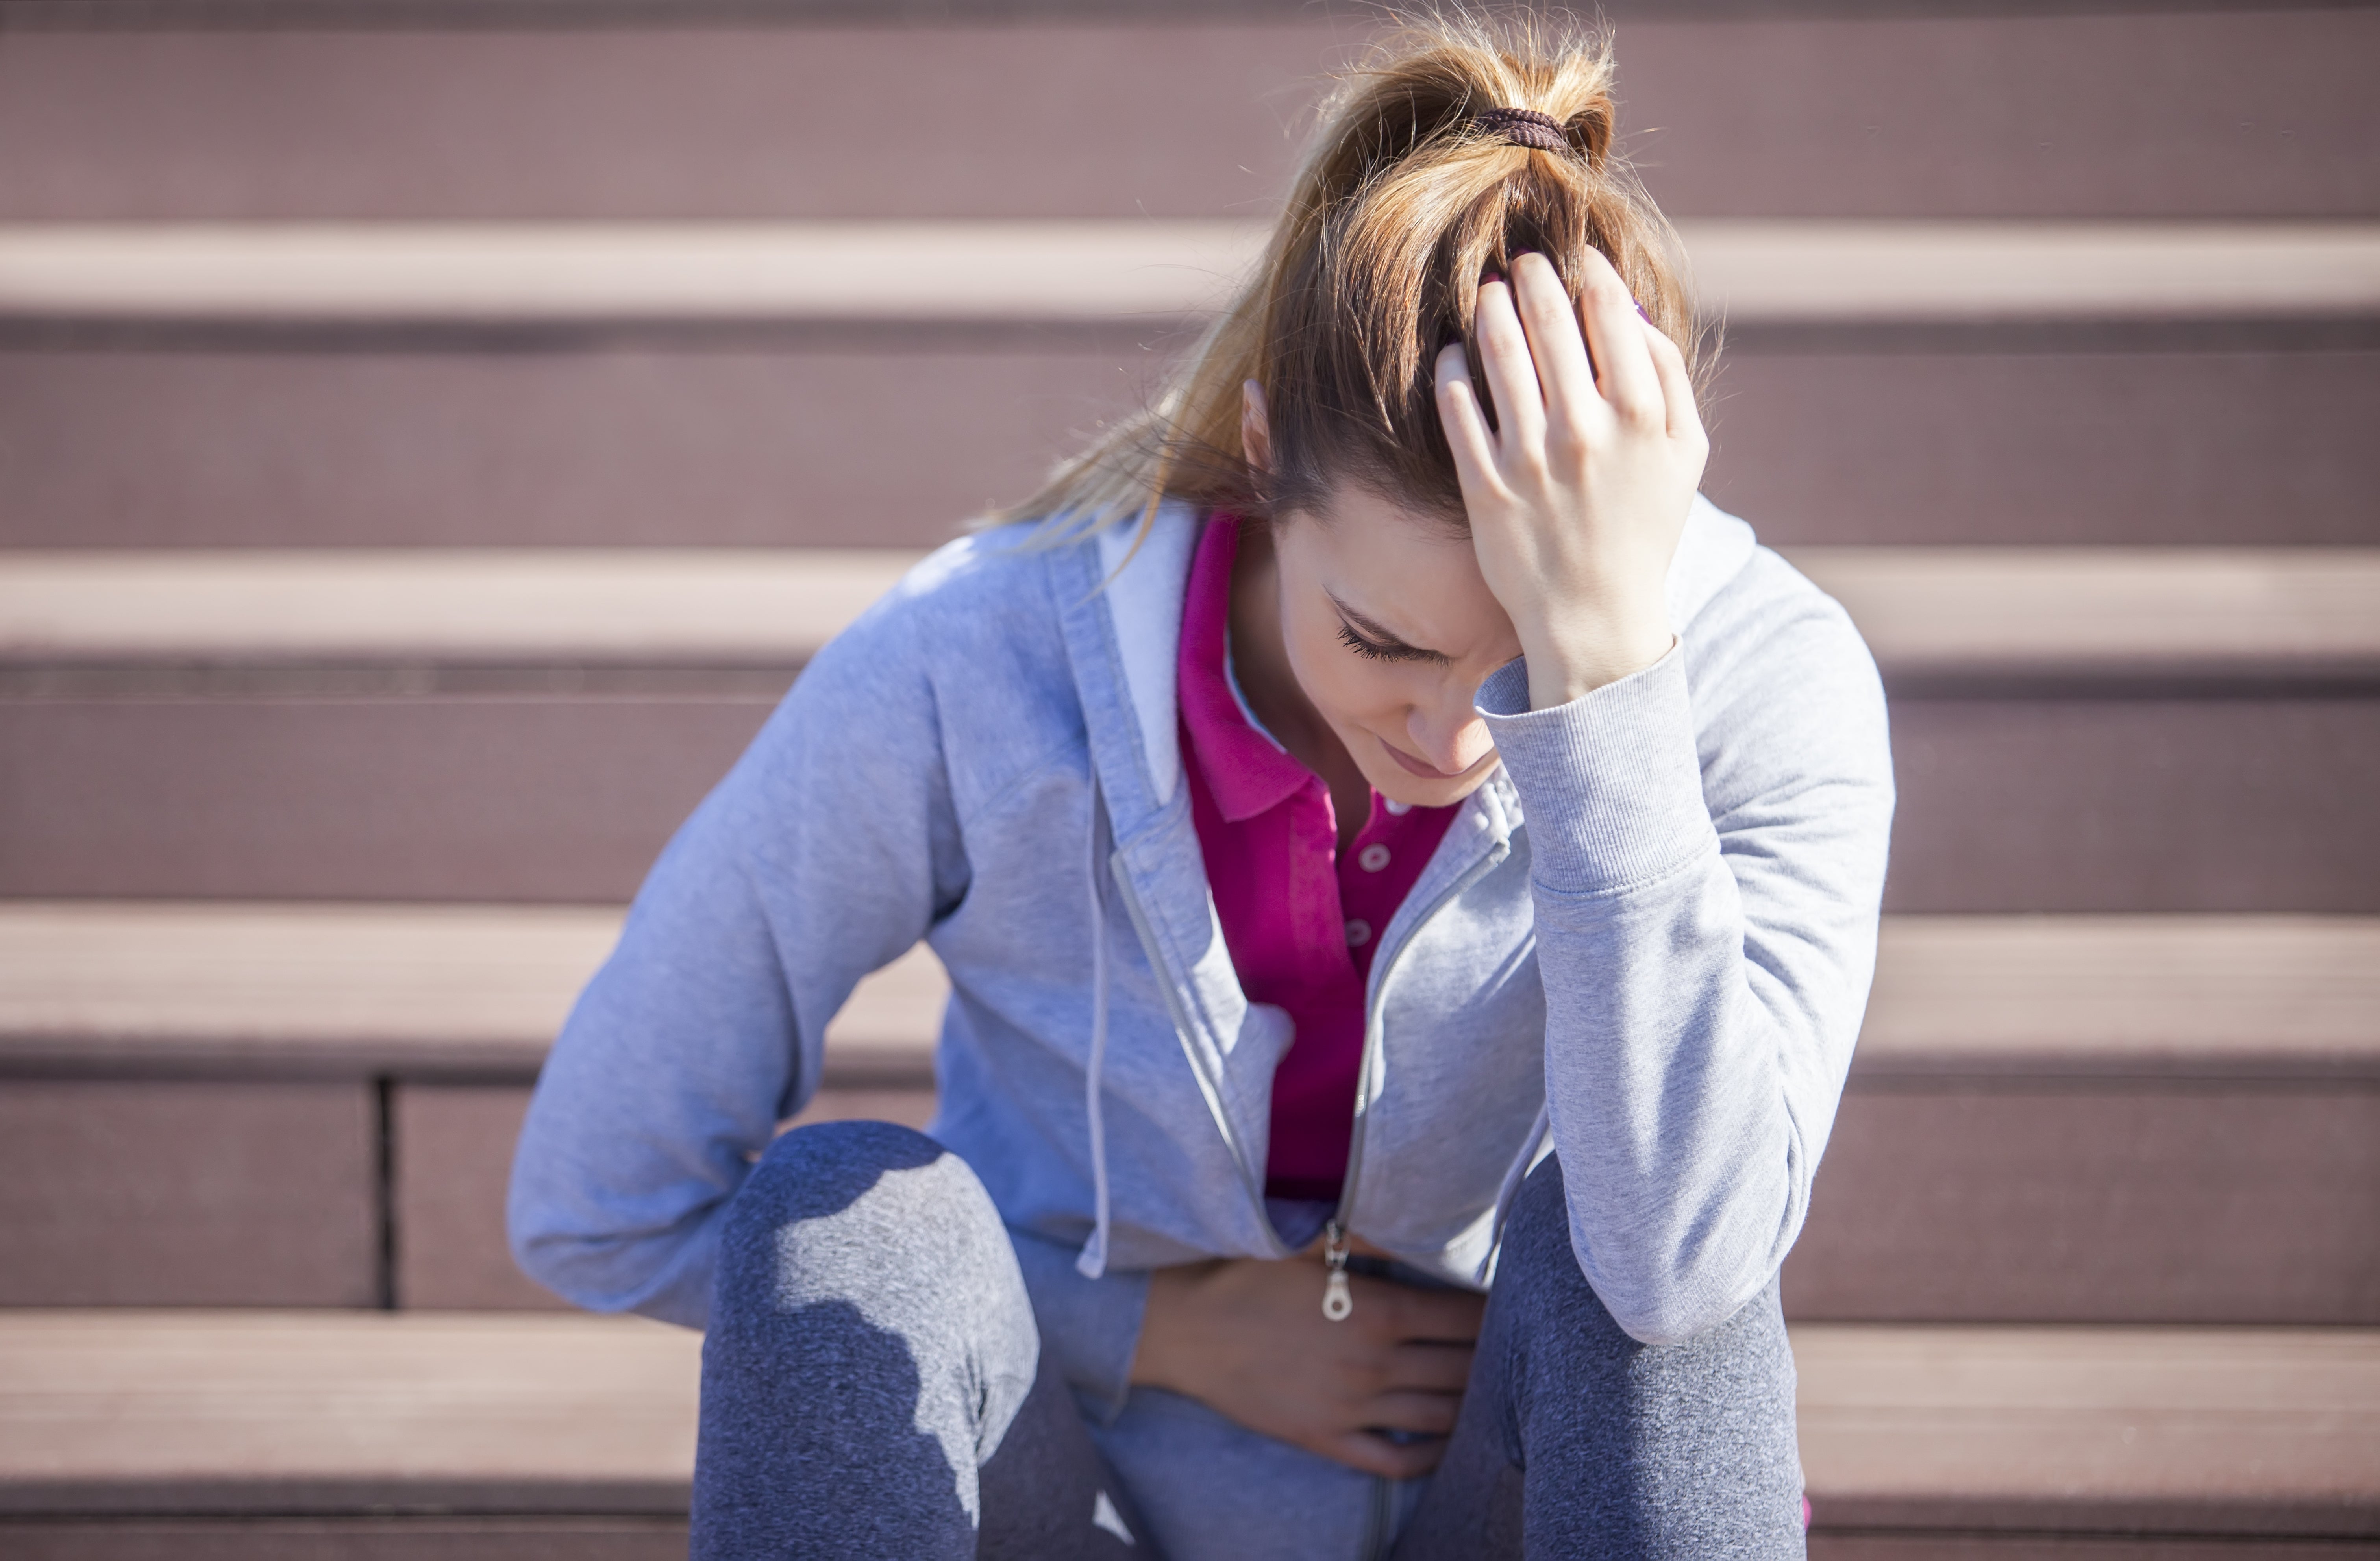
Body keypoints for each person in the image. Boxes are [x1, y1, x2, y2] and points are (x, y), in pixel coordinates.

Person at [509, 13, 1894, 1559]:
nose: (1456, 739)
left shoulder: (1766, 680)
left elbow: (1686, 1275)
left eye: (1526, 664)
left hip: (1495, 1507)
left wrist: (1610, 695)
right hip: (1075, 1504)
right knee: (848, 1216)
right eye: (1383, 641)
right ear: (1260, 451)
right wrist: (1145, 1333)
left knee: (1644, 1262)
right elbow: (600, 1193)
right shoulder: (978, 663)